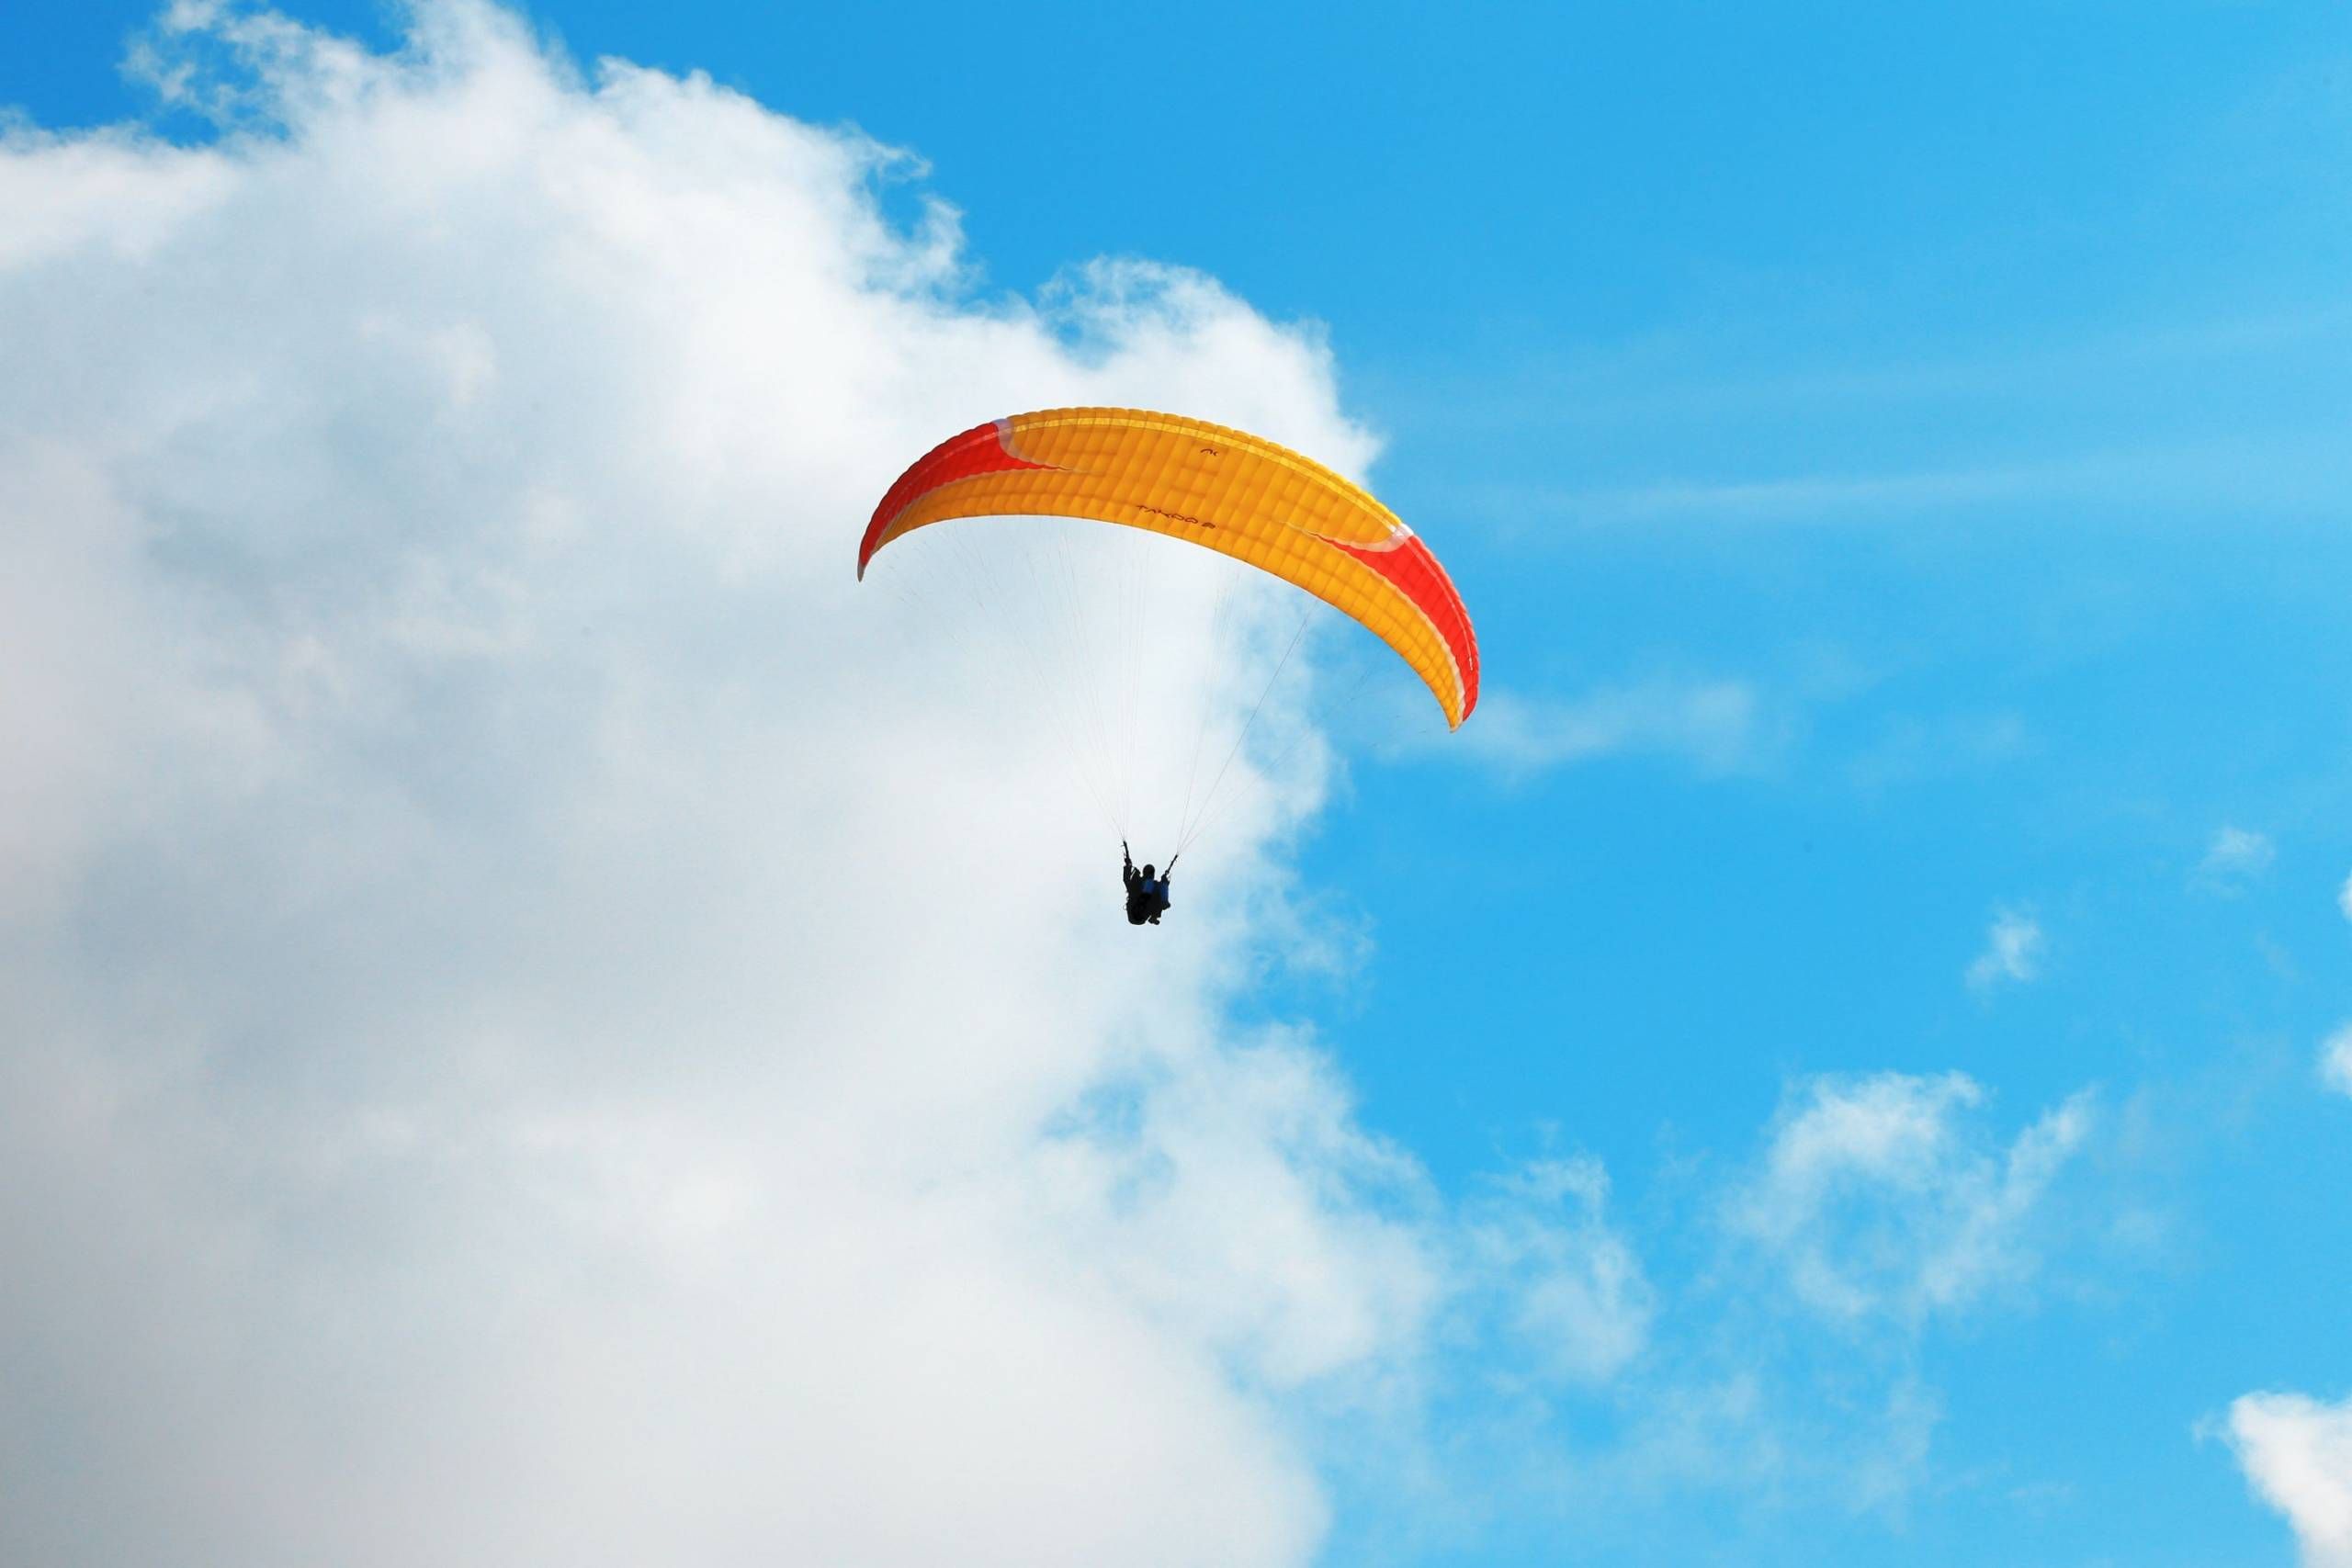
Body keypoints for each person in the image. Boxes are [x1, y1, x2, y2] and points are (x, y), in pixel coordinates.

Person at [1122, 840, 1175, 926]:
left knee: (1157, 889)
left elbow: (1126, 879)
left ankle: (1154, 916)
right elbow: (1126, 880)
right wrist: (1128, 866)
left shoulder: (1152, 885)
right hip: (1134, 911)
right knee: (1153, 888)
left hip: (1141, 915)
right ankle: (1154, 915)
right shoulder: (1138, 882)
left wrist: (1164, 882)